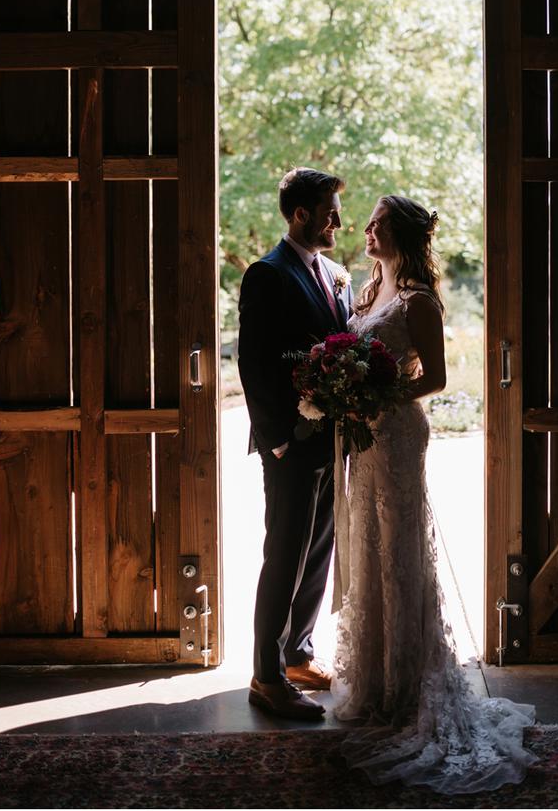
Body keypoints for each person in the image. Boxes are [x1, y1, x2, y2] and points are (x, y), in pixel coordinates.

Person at [331, 194, 536, 794]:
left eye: (378, 224)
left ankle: (407, 686)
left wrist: (377, 398)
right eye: (368, 223)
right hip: (363, 438)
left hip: (396, 435)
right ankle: (373, 683)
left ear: (402, 236)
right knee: (368, 551)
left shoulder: (420, 301)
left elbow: (438, 377)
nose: (367, 231)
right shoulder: (368, 295)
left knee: (399, 553)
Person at [238, 167, 352, 720]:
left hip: (331, 440)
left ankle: (298, 653)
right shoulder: (267, 274)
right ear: (301, 214)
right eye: (331, 210)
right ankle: (266, 675)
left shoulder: (335, 274)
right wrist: (278, 441)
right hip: (290, 443)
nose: (339, 221)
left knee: (318, 548)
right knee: (284, 553)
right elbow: (254, 365)